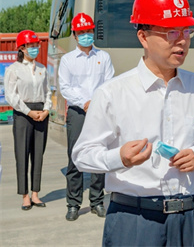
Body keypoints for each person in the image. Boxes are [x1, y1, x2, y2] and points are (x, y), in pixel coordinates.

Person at [72, 0, 194, 246]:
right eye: (170, 32)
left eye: (187, 31)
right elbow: (82, 156)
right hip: (134, 220)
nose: (181, 40)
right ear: (143, 36)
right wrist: (119, 158)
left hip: (188, 218)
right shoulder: (113, 93)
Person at [58, 13, 115, 221]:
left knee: (99, 156)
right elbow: (65, 87)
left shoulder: (103, 57)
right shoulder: (67, 60)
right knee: (75, 157)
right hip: (78, 112)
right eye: (81, 32)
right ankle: (73, 204)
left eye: (88, 31)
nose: (85, 35)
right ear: (74, 35)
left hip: (99, 112)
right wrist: (85, 102)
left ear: (93, 32)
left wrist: (96, 102)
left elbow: (109, 82)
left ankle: (97, 201)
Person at [4, 30, 51, 210]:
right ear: (22, 48)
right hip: (23, 114)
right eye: (32, 46)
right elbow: (11, 96)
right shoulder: (13, 70)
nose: (35, 49)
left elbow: (48, 91)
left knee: (38, 154)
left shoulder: (42, 69)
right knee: (22, 154)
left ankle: (35, 194)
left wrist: (46, 109)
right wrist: (29, 112)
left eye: (36, 45)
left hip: (41, 113)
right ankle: (24, 195)